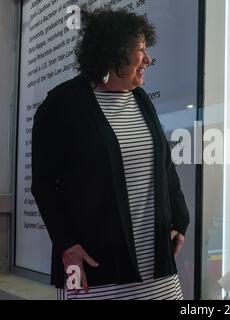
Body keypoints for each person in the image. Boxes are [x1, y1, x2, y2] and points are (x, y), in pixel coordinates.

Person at [31, 8, 190, 300]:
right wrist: (67, 244)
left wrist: (180, 219)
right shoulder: (62, 105)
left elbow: (164, 167)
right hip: (92, 269)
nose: (149, 60)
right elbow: (43, 185)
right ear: (114, 53)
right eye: (141, 50)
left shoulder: (141, 100)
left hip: (157, 271)